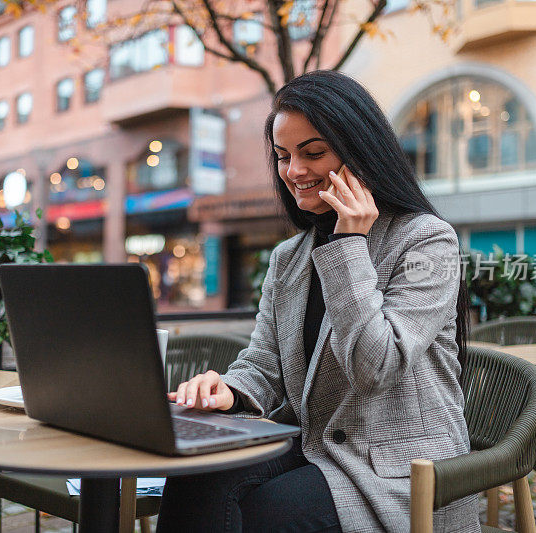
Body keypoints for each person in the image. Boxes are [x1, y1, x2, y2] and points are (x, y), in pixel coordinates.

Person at [157, 70, 480, 533]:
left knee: (264, 514)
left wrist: (350, 244)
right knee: (192, 481)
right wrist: (230, 389)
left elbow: (376, 367)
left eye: (313, 153)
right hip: (311, 445)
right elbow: (266, 363)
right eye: (284, 156)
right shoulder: (289, 258)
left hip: (392, 464)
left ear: (359, 152)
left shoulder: (426, 241)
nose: (294, 171)